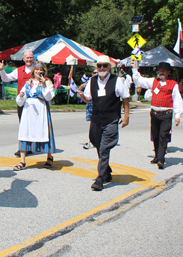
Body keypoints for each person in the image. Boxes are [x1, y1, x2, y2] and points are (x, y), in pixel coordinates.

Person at [77, 55, 130, 191]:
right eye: (99, 66)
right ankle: (106, 171)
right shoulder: (92, 81)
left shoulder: (117, 81)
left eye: (104, 66)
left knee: (104, 148)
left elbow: (125, 98)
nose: (101, 68)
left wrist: (126, 116)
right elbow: (89, 99)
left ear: (109, 67)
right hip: (96, 119)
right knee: (96, 143)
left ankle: (100, 179)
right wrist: (83, 97)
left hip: (111, 119)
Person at [132, 60, 182, 169]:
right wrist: (135, 69)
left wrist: (177, 116)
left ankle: (161, 159)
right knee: (155, 135)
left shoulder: (173, 84)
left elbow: (177, 100)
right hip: (154, 114)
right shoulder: (154, 81)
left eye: (164, 71)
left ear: (169, 72)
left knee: (163, 136)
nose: (161, 73)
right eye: (160, 71)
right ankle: (156, 156)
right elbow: (139, 81)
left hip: (166, 114)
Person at [13, 62, 56, 171]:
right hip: (28, 111)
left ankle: (49, 157)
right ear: (33, 71)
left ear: (43, 72)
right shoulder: (28, 83)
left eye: (40, 70)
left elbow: (49, 97)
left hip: (41, 109)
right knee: (25, 132)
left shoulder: (48, 82)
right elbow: (19, 101)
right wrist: (21, 96)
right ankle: (22, 161)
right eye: (36, 69)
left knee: (44, 131)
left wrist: (44, 85)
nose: (38, 72)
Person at [0, 50, 34, 156]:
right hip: (22, 102)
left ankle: (30, 147)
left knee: (32, 125)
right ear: (23, 59)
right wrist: (1, 70)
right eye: (27, 57)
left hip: (34, 103)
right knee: (23, 125)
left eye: (31, 57)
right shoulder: (19, 70)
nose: (29, 59)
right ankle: (23, 148)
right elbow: (6, 78)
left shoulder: (36, 70)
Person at [79, 69, 99, 149]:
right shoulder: (90, 81)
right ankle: (90, 140)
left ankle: (96, 139)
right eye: (94, 72)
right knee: (92, 122)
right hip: (91, 104)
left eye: (97, 72)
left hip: (100, 104)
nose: (95, 74)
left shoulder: (102, 81)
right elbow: (80, 90)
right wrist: (80, 88)